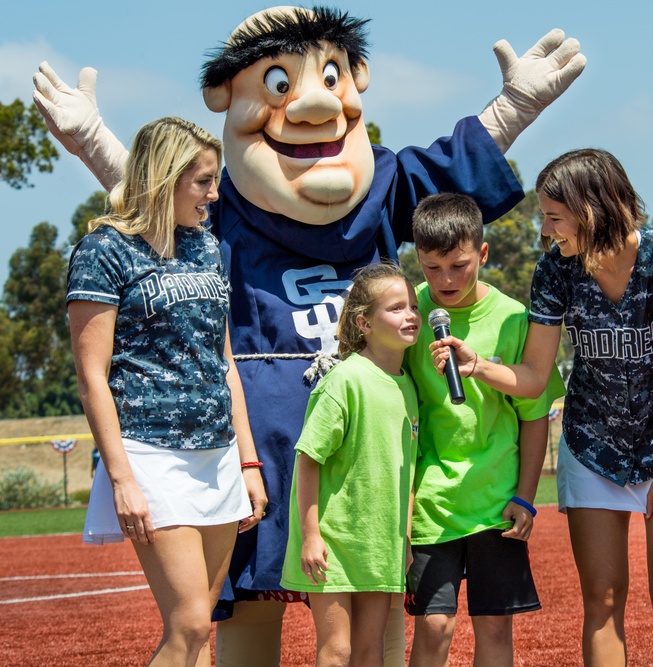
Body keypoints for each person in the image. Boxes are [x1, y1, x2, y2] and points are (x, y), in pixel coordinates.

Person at [33, 10, 584, 664]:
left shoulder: (380, 184)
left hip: (371, 428)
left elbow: (449, 188)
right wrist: (94, 138)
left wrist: (515, 105)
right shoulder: (225, 202)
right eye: (278, 83)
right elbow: (159, 198)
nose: (314, 103)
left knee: (371, 590)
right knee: (250, 601)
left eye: (328, 76)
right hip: (256, 436)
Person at [430, 150, 653, 666]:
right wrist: (478, 365)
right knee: (603, 600)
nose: (546, 230)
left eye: (553, 216)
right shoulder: (556, 269)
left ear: (591, 208)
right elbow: (535, 376)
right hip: (591, 445)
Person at [67, 116, 267, 666]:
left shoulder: (205, 246)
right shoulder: (103, 250)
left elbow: (223, 361)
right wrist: (122, 479)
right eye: (202, 181)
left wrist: (248, 462)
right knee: (190, 624)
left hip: (219, 453)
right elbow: (92, 378)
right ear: (165, 177)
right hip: (151, 455)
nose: (213, 193)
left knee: (200, 631)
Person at [404, 193, 565, 667]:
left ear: (484, 253)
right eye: (432, 268)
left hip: (497, 504)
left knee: (495, 628)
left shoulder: (515, 318)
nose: (445, 280)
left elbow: (533, 417)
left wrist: (526, 496)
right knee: (434, 627)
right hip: (431, 505)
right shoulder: (408, 313)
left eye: (458, 265)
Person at [280, 263, 420, 667]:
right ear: (364, 322)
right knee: (337, 650)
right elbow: (308, 460)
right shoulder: (346, 380)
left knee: (370, 650)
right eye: (395, 308)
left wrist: (405, 539)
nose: (410, 314)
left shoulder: (408, 385)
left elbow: (405, 473)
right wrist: (310, 536)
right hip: (334, 543)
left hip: (380, 546)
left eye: (412, 305)